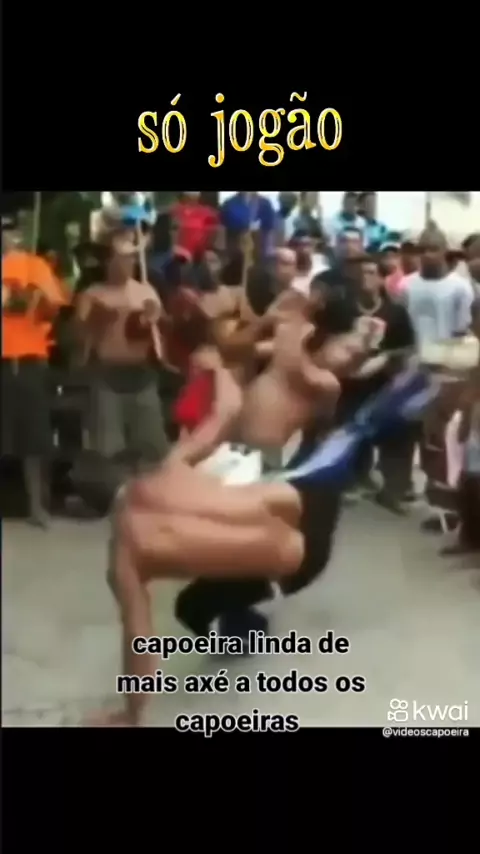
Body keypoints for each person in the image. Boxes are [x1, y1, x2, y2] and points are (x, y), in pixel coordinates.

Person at [91, 301, 379, 726]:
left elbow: (139, 638)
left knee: (196, 602)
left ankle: (238, 614)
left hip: (283, 543)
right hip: (290, 512)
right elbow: (225, 409)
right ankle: (241, 617)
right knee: (205, 595)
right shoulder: (173, 466)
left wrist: (131, 714)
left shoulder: (126, 560)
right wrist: (216, 366)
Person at [75, 234, 169, 472]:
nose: (129, 263)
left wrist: (154, 317)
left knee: (151, 449)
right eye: (122, 258)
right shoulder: (93, 294)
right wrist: (95, 320)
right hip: (107, 377)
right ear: (108, 261)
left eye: (131, 258)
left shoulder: (146, 291)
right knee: (109, 451)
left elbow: (161, 334)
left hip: (142, 376)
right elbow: (77, 337)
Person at [336, 255, 417, 510]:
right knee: (350, 432)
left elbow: (407, 346)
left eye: (371, 272)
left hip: (385, 383)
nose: (365, 278)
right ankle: (353, 479)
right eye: (361, 273)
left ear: (382, 279)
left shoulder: (395, 311)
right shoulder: (342, 310)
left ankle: (393, 490)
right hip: (349, 384)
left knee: (398, 435)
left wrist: (387, 359)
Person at [2, 220, 68, 526]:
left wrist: (37, 298)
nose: (9, 235)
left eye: (12, 229)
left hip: (30, 360)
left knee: (35, 438)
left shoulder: (36, 266)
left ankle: (37, 506)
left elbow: (54, 309)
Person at [402, 229, 474, 352]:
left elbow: (461, 332)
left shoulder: (461, 287)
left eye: (433, 249)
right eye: (422, 250)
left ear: (444, 251)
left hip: (448, 357)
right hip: (414, 357)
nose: (426, 255)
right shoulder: (406, 284)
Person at [220, 192, 276, 259]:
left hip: (258, 249)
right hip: (234, 249)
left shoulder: (265, 203)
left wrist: (268, 248)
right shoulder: (229, 204)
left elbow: (269, 230)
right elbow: (222, 228)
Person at [170, 192, 220, 258]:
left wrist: (208, 248)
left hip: (199, 253)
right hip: (179, 252)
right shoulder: (175, 210)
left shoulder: (208, 212)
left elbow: (214, 233)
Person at [290, 230, 330, 295]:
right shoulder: (286, 269)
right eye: (297, 244)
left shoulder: (321, 270)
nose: (302, 248)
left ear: (313, 247)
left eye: (306, 244)